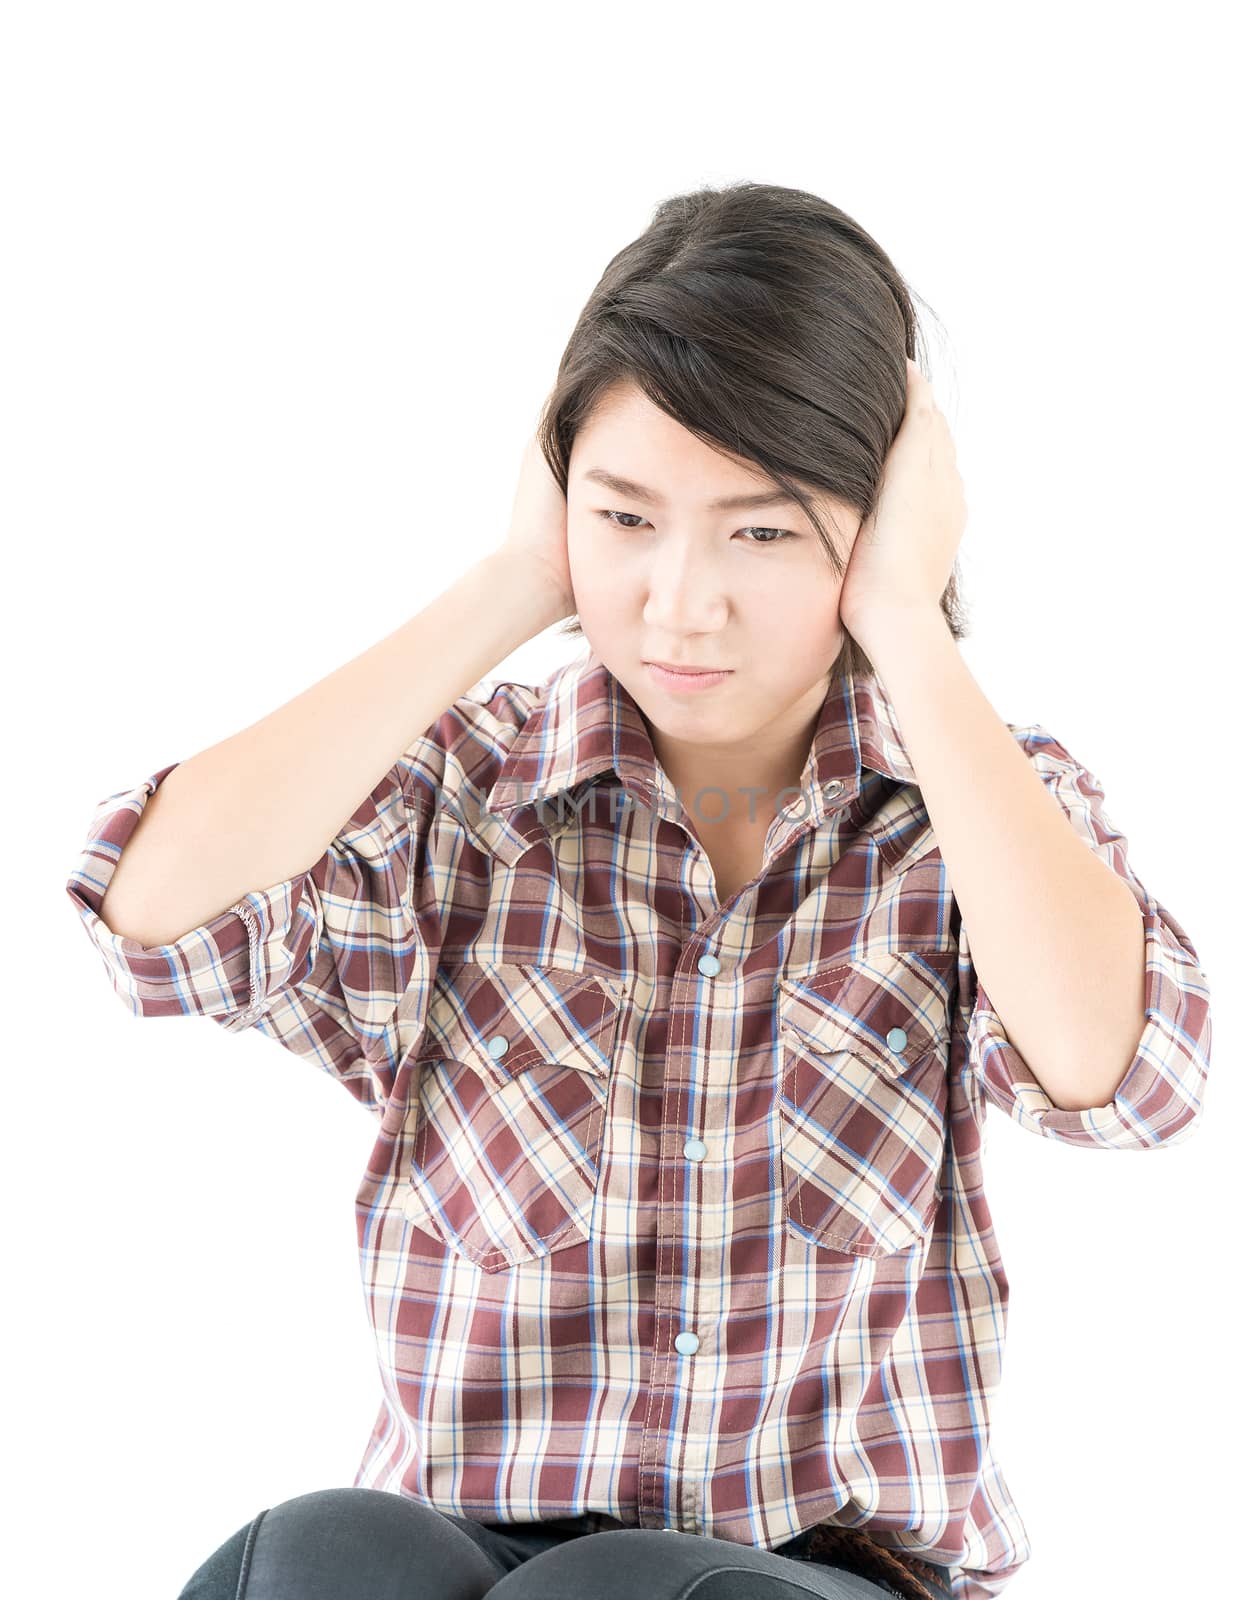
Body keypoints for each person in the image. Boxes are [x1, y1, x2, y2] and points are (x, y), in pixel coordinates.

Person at [65, 182, 1210, 1600]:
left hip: (817, 1573)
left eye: (763, 531)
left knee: (611, 1595)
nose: (679, 601)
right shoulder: (459, 802)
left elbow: (1128, 1074)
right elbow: (153, 924)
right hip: (477, 1548)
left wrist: (908, 623)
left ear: (883, 525)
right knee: (317, 1555)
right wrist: (509, 583)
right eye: (624, 518)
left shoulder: (969, 812)